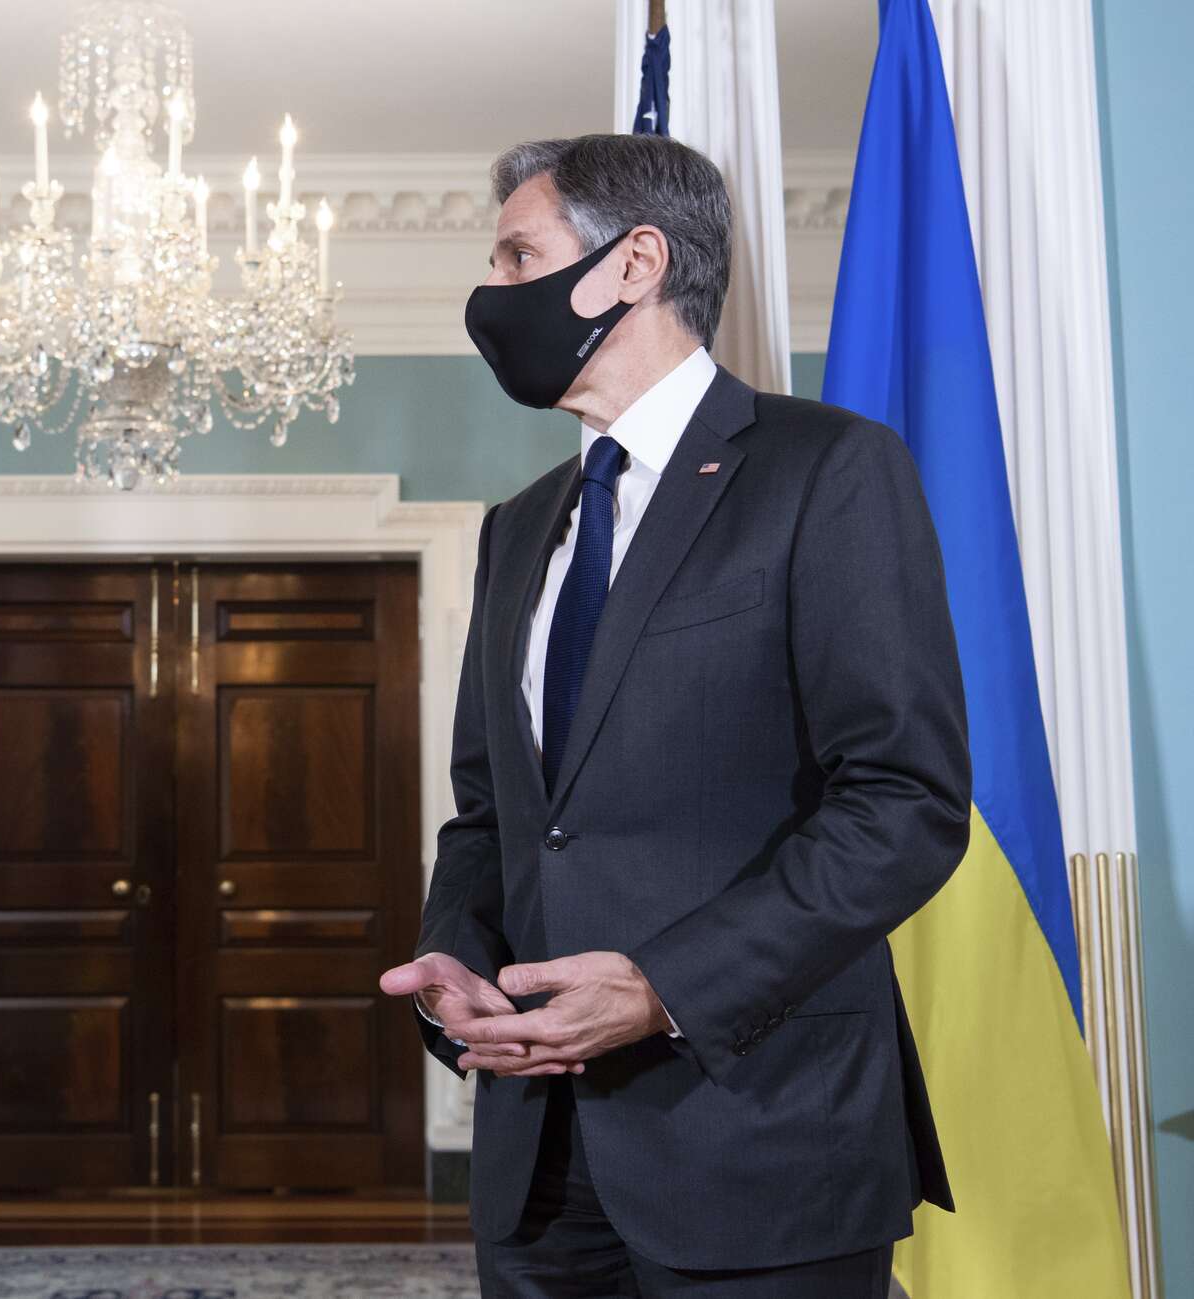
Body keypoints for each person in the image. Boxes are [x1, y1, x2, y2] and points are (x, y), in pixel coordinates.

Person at [379, 133, 968, 1298]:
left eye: (515, 256)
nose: (489, 292)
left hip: (761, 1142)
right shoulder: (516, 527)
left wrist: (660, 988)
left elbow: (903, 802)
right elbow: (491, 814)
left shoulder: (827, 469)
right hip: (537, 1168)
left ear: (634, 262)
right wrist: (458, 964)